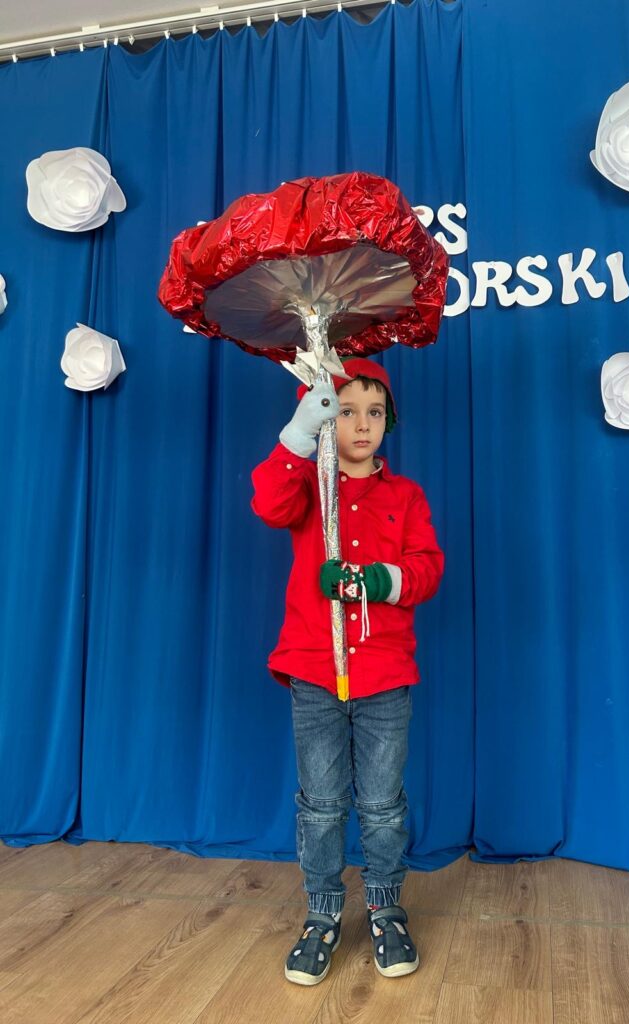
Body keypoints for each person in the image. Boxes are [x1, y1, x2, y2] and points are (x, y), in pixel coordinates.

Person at [250, 356, 444, 986]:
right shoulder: (310, 487)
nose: (362, 424)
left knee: (383, 804)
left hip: (384, 674)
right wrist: (297, 435)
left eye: (375, 412)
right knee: (322, 805)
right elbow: (268, 503)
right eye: (346, 411)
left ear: (390, 421)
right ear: (324, 418)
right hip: (315, 670)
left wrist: (377, 581)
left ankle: (385, 907)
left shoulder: (406, 497)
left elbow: (427, 569)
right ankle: (323, 912)